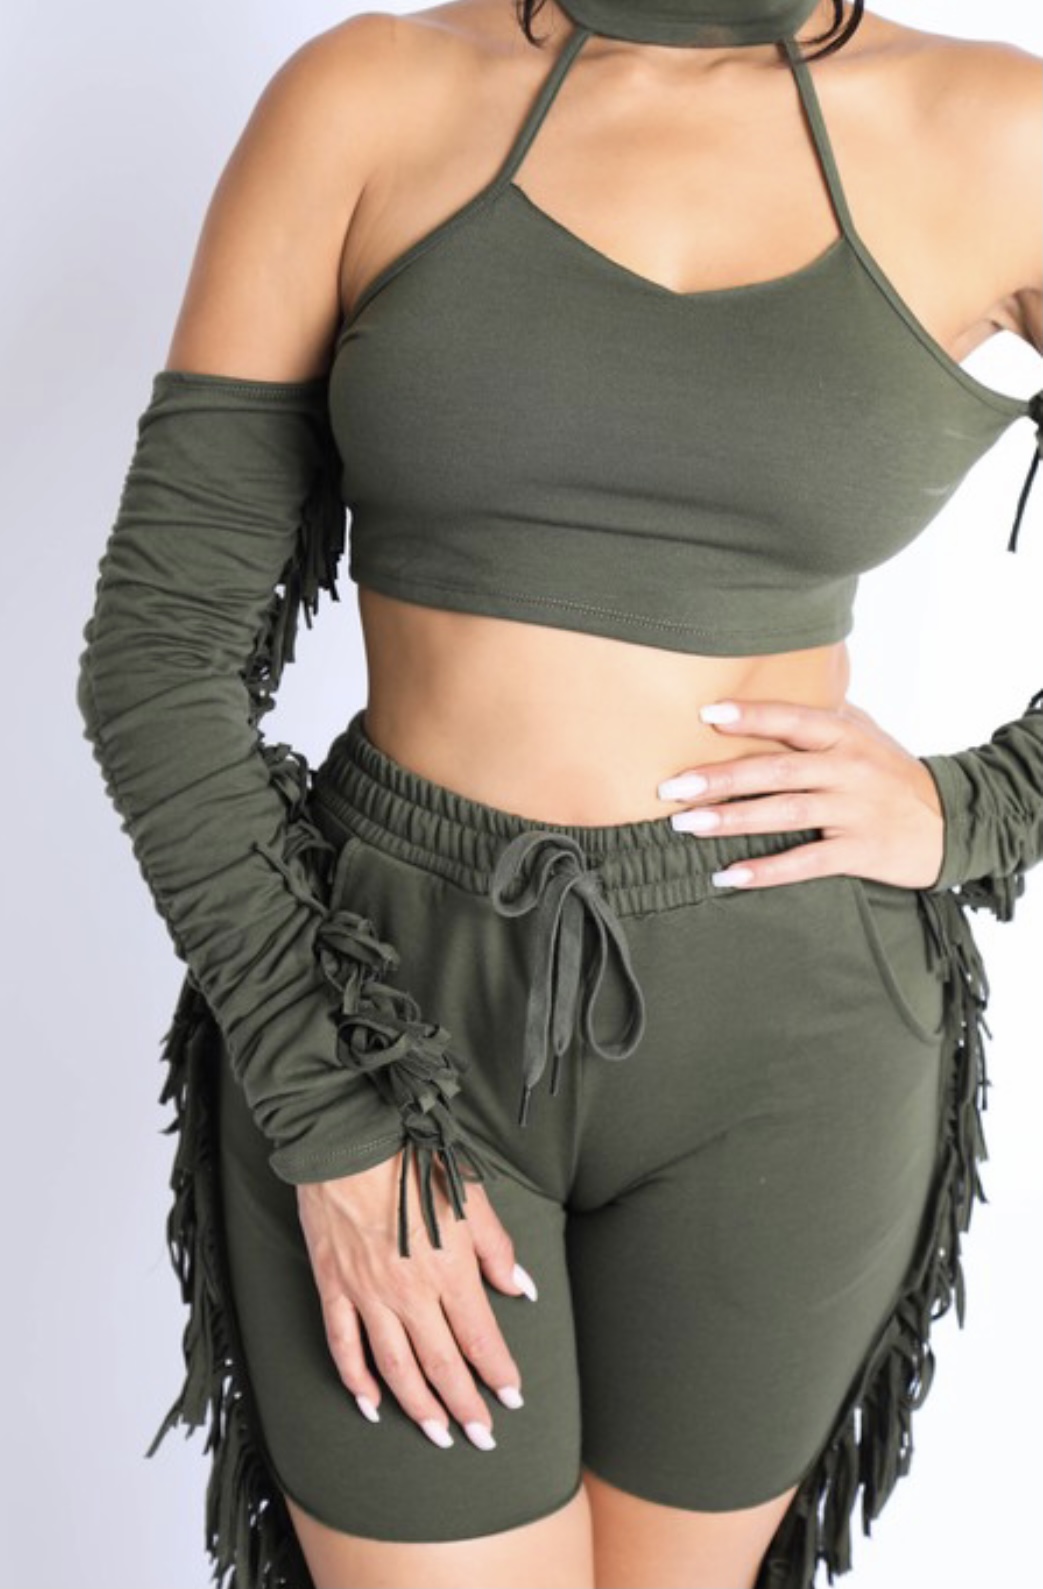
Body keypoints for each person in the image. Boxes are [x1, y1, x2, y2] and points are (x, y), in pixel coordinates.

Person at [75, 1, 1042, 1586]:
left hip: (792, 1031)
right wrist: (327, 1110)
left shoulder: (1000, 134)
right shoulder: (370, 98)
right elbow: (159, 656)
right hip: (383, 1000)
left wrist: (981, 807)